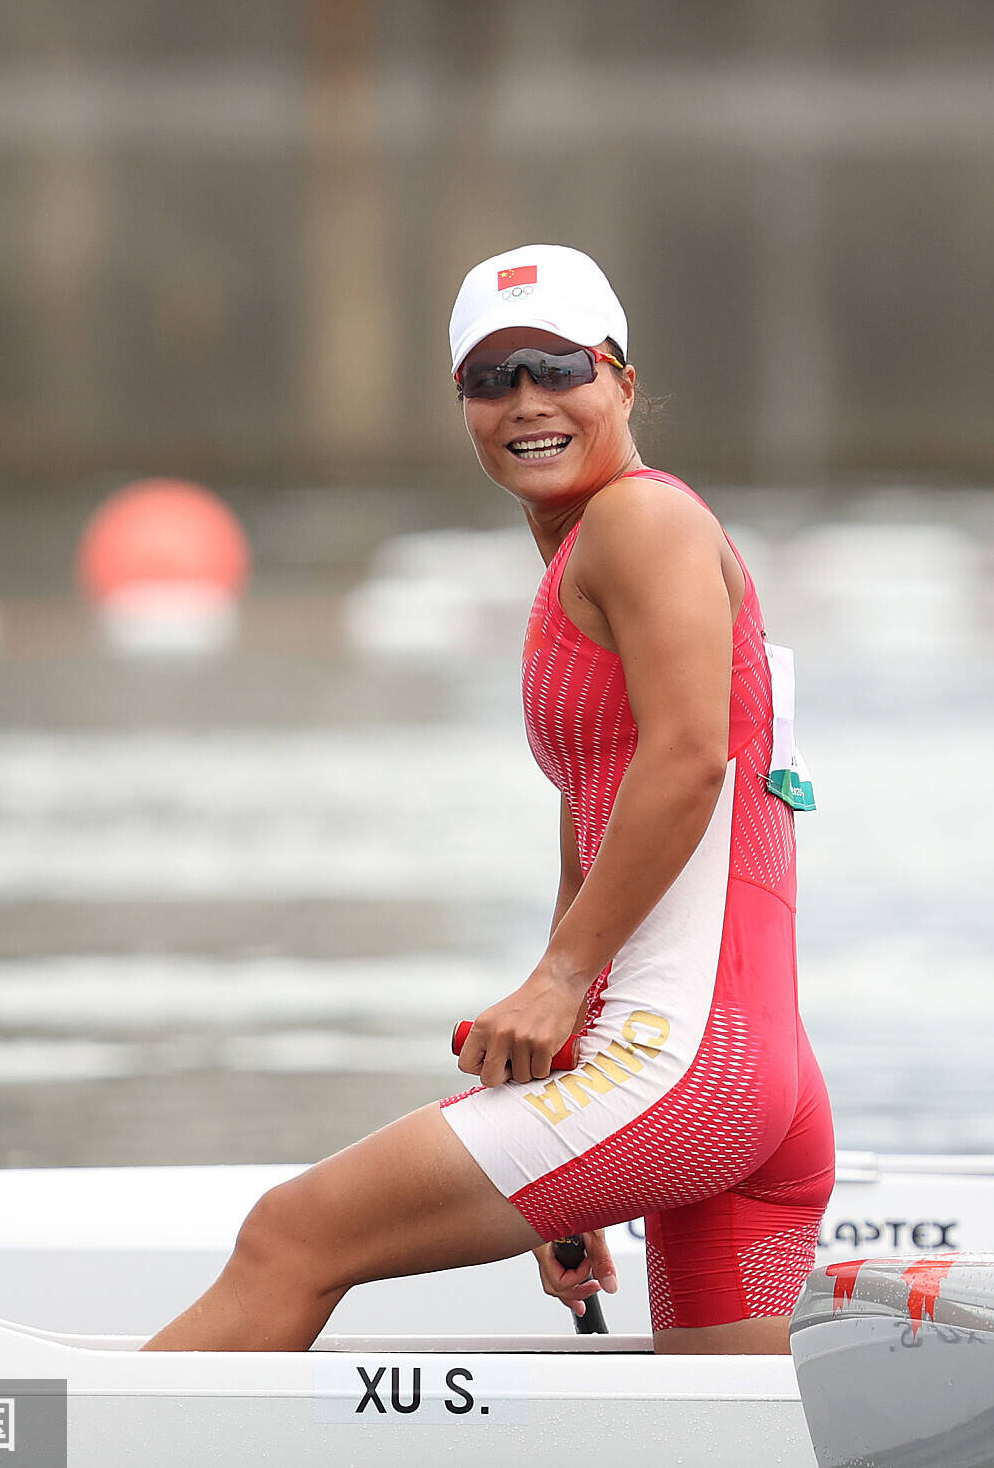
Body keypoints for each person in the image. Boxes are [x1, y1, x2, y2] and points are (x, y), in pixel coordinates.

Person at [146, 244, 832, 1354]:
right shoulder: (589, 552)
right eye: (490, 378)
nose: (527, 403)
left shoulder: (640, 522)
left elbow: (687, 762)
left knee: (292, 1235)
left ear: (621, 376)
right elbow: (600, 816)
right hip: (747, 1082)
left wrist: (561, 985)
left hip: (683, 1068)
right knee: (715, 1437)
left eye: (558, 366)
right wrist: (563, 1076)